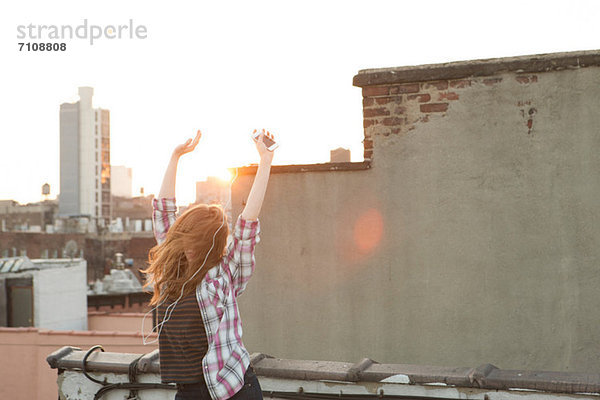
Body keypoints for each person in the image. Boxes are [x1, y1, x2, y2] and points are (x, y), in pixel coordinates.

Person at [142, 129, 275, 400]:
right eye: (185, 240)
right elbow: (163, 211)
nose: (190, 248)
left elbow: (248, 222)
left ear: (210, 245)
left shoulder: (225, 272)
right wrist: (175, 156)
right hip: (188, 392)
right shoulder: (173, 266)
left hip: (234, 390)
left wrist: (265, 161)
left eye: (198, 244)